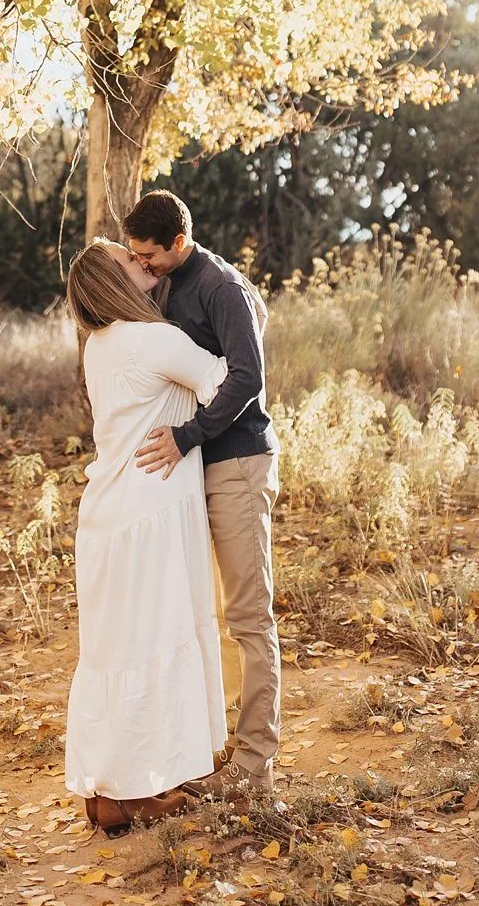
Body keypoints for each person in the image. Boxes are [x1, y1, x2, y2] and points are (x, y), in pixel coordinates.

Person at [63, 238, 230, 832]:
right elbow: (224, 380)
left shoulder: (99, 347)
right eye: (128, 260)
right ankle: (137, 791)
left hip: (107, 514)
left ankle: (112, 791)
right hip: (151, 512)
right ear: (114, 282)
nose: (142, 261)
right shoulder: (156, 341)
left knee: (116, 651)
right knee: (155, 642)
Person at [125, 191, 281, 794]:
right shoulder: (168, 283)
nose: (145, 265)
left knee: (248, 615)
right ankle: (209, 749)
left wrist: (189, 435)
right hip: (199, 471)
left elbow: (248, 374)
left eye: (150, 256)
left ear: (179, 243)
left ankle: (256, 769)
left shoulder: (219, 285)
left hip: (237, 463)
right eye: (136, 257)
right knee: (201, 616)